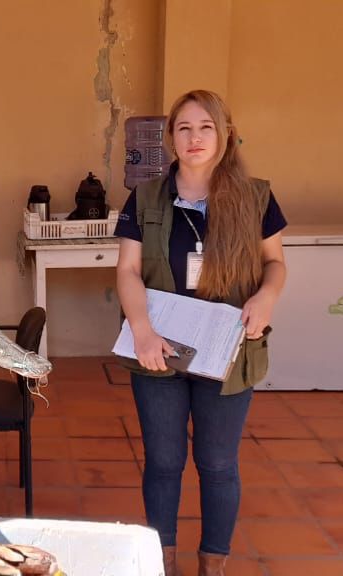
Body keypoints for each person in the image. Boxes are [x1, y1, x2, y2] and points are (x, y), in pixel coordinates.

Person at [114, 90, 287, 576]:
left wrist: (265, 297)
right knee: (164, 461)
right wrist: (142, 332)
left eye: (206, 127)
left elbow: (274, 263)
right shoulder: (145, 197)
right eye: (184, 128)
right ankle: (162, 562)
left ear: (225, 135)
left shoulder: (256, 197)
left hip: (226, 350)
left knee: (216, 463)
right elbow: (127, 271)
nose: (194, 138)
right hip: (158, 350)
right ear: (170, 138)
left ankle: (212, 565)